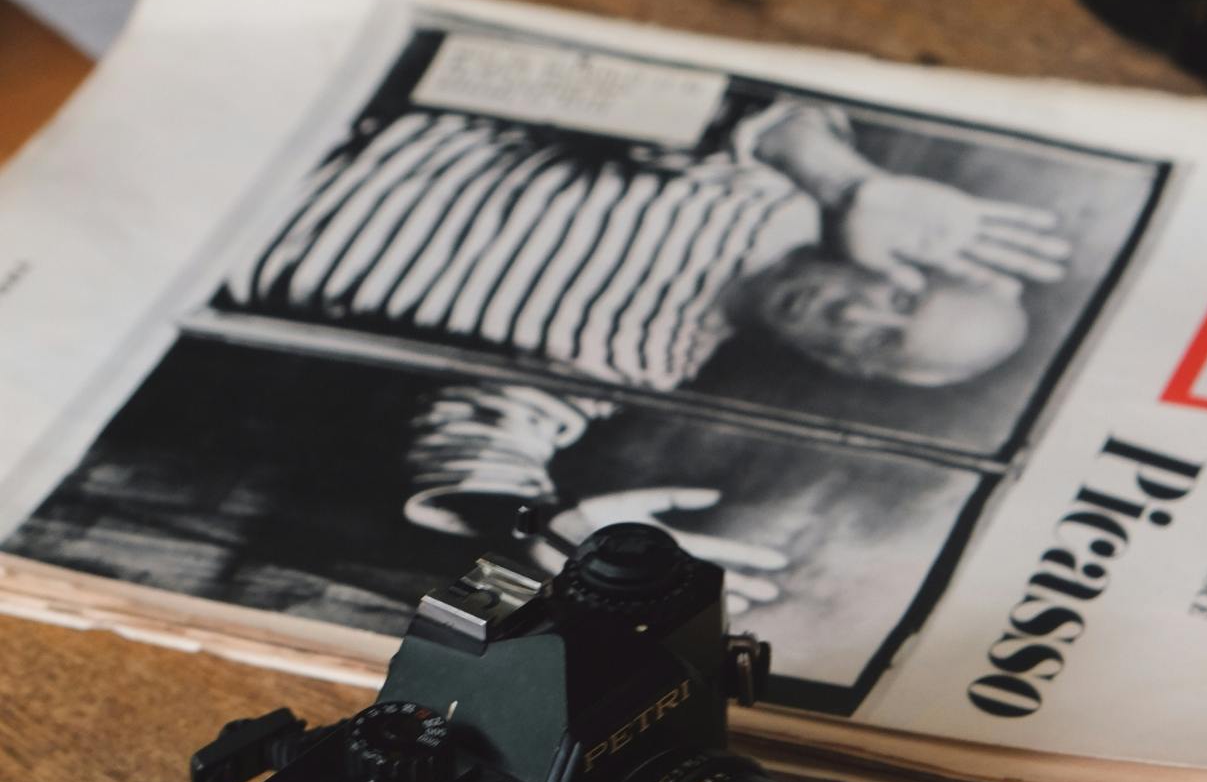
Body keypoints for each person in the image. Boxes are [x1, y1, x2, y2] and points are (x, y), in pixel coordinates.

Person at [224, 73, 1070, 608]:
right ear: (902, 254)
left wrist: (548, 528)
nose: (858, 319)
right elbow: (688, 102)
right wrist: (850, 183)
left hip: (224, 254)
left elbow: (476, 451)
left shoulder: (644, 364)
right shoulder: (767, 187)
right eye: (900, 296)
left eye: (882, 346)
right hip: (301, 112)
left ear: (844, 368)